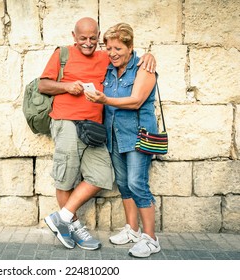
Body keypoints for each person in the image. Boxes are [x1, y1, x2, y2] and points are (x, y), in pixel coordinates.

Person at [39, 17, 156, 251]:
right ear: (74, 36)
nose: (88, 43)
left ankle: (61, 217)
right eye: (83, 38)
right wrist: (66, 86)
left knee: (103, 175)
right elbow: (43, 85)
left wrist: (149, 55)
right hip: (67, 122)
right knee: (66, 176)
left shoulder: (107, 57)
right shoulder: (62, 54)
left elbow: (128, 57)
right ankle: (72, 226)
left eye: (93, 38)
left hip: (95, 127)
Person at [84, 22, 160, 258]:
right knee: (124, 184)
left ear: (130, 47)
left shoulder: (143, 68)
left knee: (138, 184)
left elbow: (136, 100)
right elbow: (84, 52)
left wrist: (103, 100)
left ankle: (151, 239)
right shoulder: (109, 69)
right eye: (109, 49)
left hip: (139, 135)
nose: (113, 53)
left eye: (118, 48)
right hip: (114, 135)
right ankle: (133, 230)